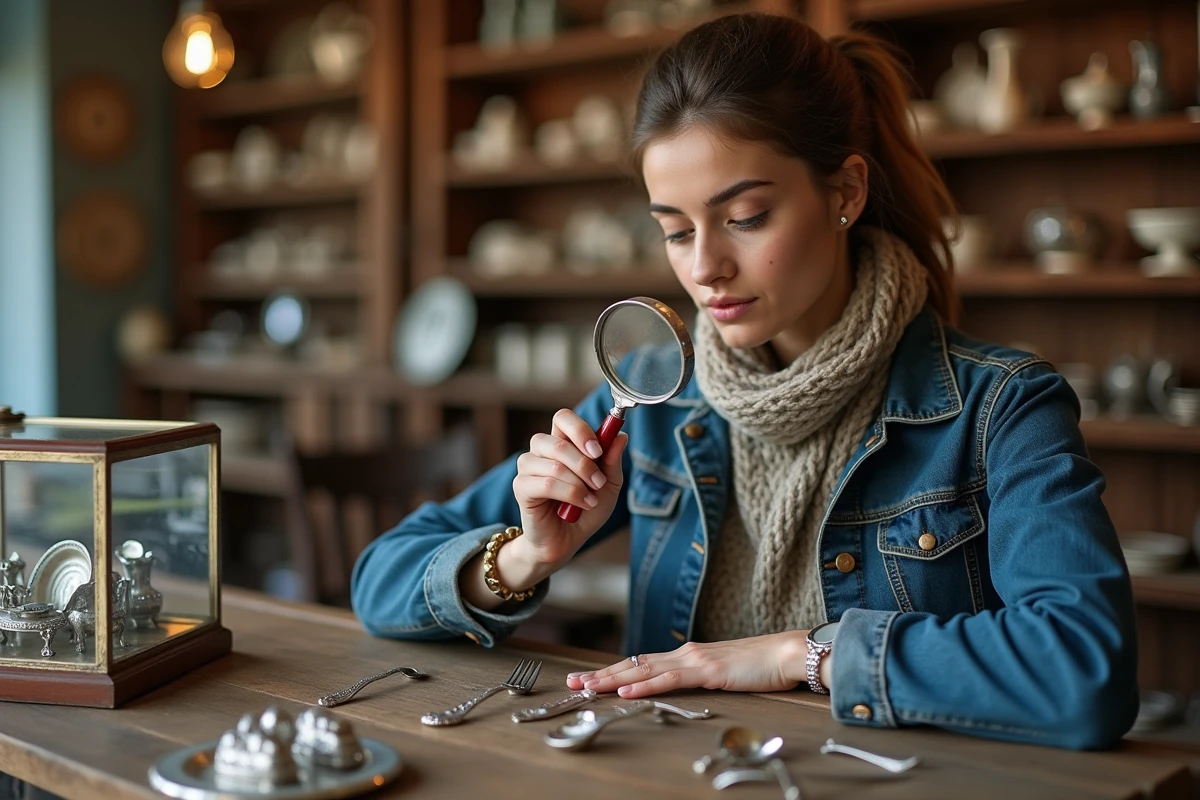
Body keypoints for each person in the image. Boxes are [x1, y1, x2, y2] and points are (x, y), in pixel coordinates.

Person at [352, 12, 1138, 750]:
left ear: (845, 193)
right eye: (674, 230)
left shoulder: (1000, 407)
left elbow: (1085, 669)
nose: (704, 268)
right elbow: (379, 579)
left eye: (747, 215)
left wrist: (804, 655)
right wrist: (524, 557)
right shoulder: (657, 400)